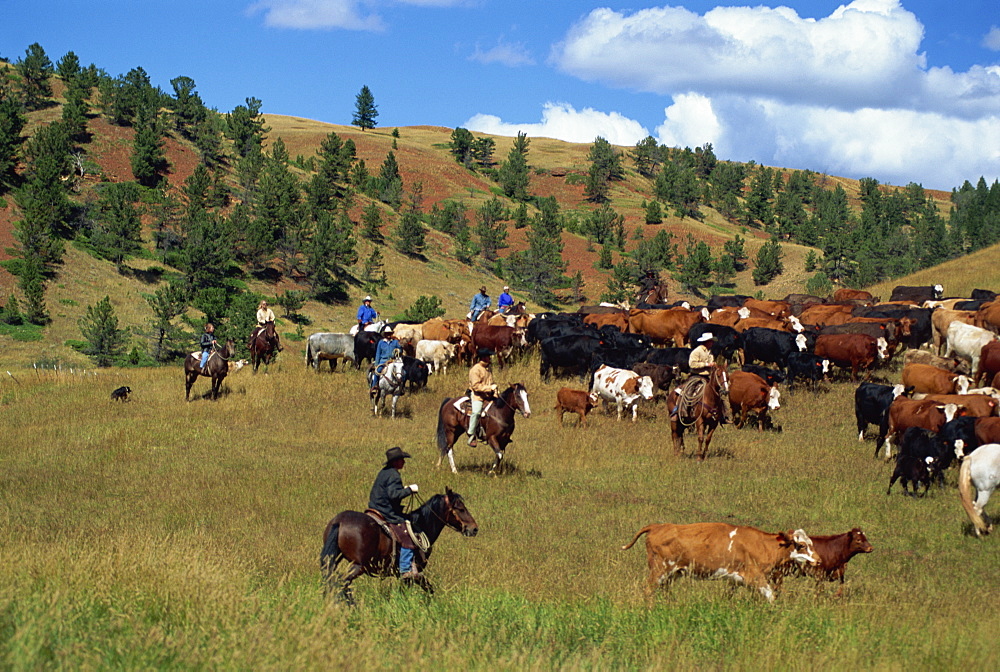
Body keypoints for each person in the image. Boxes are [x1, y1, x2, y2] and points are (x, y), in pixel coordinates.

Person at [367, 446, 420, 580]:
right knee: (407, 534)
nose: (404, 462)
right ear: (395, 461)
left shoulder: (385, 472)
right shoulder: (394, 475)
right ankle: (405, 569)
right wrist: (409, 490)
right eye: (402, 459)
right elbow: (393, 495)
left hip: (375, 507)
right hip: (386, 511)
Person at [466, 347, 498, 447]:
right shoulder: (475, 370)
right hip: (478, 396)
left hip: (489, 395)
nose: (490, 359)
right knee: (476, 412)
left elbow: (490, 382)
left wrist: (495, 391)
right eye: (488, 357)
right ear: (484, 358)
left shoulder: (488, 368)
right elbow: (476, 386)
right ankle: (471, 434)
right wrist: (490, 388)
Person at [370, 325, 401, 396]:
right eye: (387, 334)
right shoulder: (381, 343)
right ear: (385, 334)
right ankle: (374, 386)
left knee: (403, 372)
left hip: (393, 361)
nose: (388, 335)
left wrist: (399, 350)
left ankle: (400, 388)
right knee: (377, 373)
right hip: (383, 361)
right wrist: (376, 365)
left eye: (390, 333)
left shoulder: (395, 342)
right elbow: (378, 354)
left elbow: (400, 349)